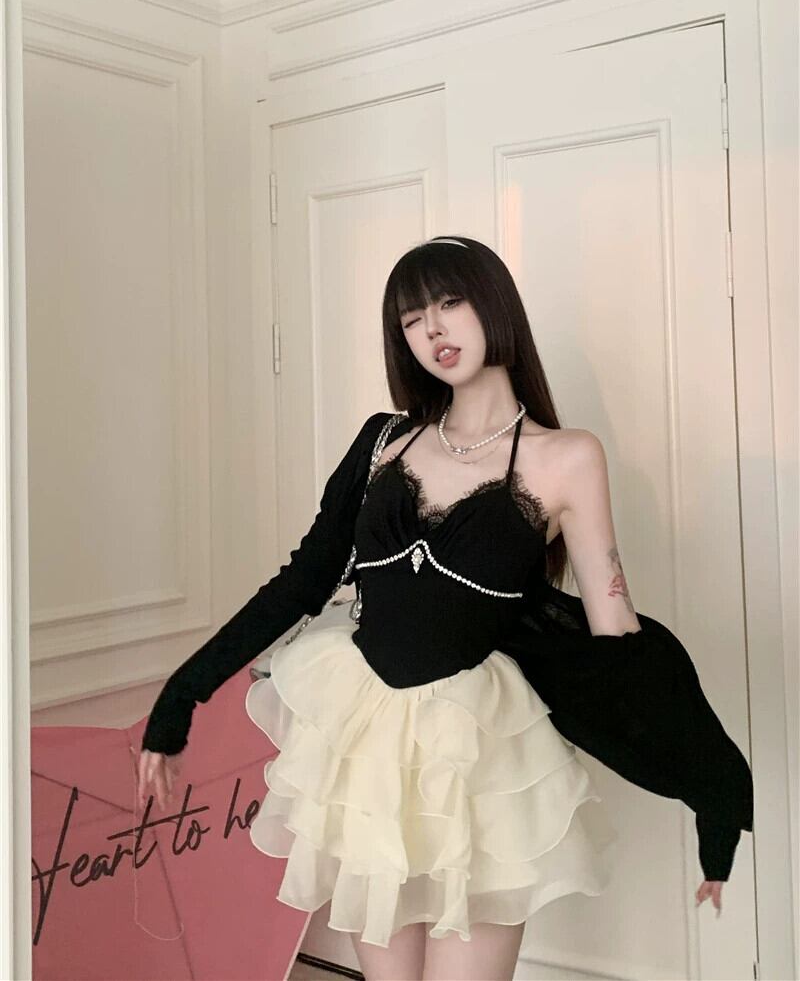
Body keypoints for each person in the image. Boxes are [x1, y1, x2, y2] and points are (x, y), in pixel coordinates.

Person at [138, 236, 750, 981]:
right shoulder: (383, 442)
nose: (432, 330)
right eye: (411, 319)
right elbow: (301, 584)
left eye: (450, 303)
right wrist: (181, 695)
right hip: (368, 747)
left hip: (477, 751)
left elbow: (618, 641)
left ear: (494, 306)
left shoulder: (567, 456)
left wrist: (713, 791)